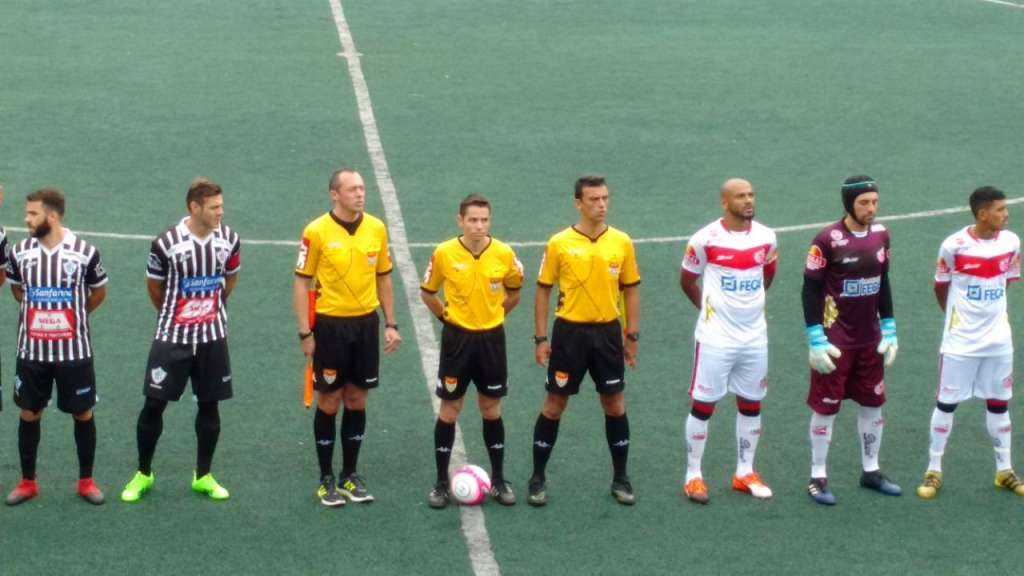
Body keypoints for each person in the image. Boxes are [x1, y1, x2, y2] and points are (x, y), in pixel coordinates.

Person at [120, 178, 241, 503]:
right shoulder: (166, 243)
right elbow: (154, 287)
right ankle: (143, 473)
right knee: (154, 404)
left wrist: (210, 309)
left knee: (209, 404)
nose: (220, 212)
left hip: (213, 337)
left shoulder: (229, 239)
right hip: (172, 337)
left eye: (221, 206)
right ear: (194, 207)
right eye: (214, 207)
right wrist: (175, 315)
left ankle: (203, 475)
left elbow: (230, 278)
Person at [528, 175, 640, 507]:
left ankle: (620, 477)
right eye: (594, 199)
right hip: (569, 335)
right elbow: (543, 289)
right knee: (553, 405)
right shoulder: (559, 243)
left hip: (607, 335)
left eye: (605, 198)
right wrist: (540, 337)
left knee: (614, 404)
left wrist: (632, 334)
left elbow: (631, 288)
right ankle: (537, 478)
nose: (601, 204)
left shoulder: (621, 242)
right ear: (578, 203)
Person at [293, 169, 401, 507]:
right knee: (329, 401)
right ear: (334, 194)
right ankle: (326, 478)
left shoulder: (377, 228)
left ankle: (350, 475)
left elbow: (383, 277)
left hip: (366, 325)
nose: (360, 194)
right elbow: (301, 282)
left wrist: (391, 323)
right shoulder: (316, 231)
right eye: (352, 189)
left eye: (362, 188)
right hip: (330, 327)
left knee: (357, 400)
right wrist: (305, 332)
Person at [918, 186, 1024, 499]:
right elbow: (941, 288)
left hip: (999, 340)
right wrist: (957, 320)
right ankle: (933, 469)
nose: (1006, 214)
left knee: (999, 402)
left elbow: (1006, 282)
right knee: (946, 404)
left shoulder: (1011, 242)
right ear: (982, 214)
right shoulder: (954, 246)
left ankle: (1004, 470)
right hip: (960, 342)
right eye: (1000, 209)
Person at [802, 175, 901, 506]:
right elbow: (811, 288)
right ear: (849, 204)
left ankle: (870, 471)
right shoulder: (827, 240)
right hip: (835, 341)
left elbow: (883, 281)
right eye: (864, 202)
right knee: (826, 408)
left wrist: (889, 326)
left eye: (874, 201)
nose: (871, 208)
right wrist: (814, 336)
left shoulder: (882, 235)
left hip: (870, 340)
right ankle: (817, 477)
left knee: (873, 404)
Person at [420, 194, 523, 508]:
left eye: (484, 220)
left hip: (491, 341)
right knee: (449, 410)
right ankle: (440, 482)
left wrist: (494, 317)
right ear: (460, 221)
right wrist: (447, 320)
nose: (479, 226)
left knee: (491, 409)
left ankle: (499, 479)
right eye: (473, 220)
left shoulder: (504, 254)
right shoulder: (444, 253)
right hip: (457, 341)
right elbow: (428, 293)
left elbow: (515, 291)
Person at [6, 188, 107, 506]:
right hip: (32, 352)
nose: (26, 219)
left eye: (33, 214)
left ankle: (86, 482)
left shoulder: (84, 252)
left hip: (74, 353)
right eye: (27, 213)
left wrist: (74, 317)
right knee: (29, 412)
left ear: (52, 216)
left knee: (82, 412)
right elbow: (18, 290)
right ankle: (27, 482)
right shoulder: (20, 252)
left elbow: (98, 292)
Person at [679, 178, 777, 504]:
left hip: (754, 338)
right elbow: (688, 280)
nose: (748, 201)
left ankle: (744, 471)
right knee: (704, 405)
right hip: (715, 339)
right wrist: (709, 311)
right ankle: (693, 476)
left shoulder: (766, 237)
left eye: (751, 194)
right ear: (724, 202)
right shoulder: (704, 239)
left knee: (751, 403)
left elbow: (767, 276)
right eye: (740, 196)